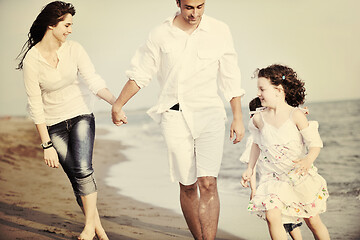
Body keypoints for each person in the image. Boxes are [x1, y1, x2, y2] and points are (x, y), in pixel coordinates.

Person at [111, 0, 245, 239]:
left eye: (200, 7)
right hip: (174, 115)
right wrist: (118, 104)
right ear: (178, 3)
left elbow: (230, 76)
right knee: (188, 184)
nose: (195, 13)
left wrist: (238, 117)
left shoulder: (220, 30)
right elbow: (141, 74)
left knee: (208, 182)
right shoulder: (160, 34)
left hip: (210, 114)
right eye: (189, 7)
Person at [17, 2, 117, 239]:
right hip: (53, 124)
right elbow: (35, 105)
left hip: (80, 113)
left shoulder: (74, 49)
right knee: (75, 177)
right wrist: (46, 145)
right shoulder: (32, 60)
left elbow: (93, 80)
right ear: (52, 24)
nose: (71, 30)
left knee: (83, 170)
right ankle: (98, 227)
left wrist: (116, 103)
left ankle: (88, 228)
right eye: (67, 24)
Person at [241, 64, 330, 240]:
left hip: (298, 176)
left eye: (262, 89)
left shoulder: (295, 115)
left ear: (278, 90)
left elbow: (315, 143)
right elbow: (256, 144)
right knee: (271, 216)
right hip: (272, 178)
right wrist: (250, 168)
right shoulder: (258, 119)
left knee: (312, 220)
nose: (258, 94)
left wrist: (308, 160)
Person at [240, 97, 303, 240]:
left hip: (273, 183)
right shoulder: (259, 137)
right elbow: (252, 166)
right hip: (276, 182)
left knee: (283, 220)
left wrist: (253, 190)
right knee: (286, 220)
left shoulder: (257, 137)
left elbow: (253, 167)